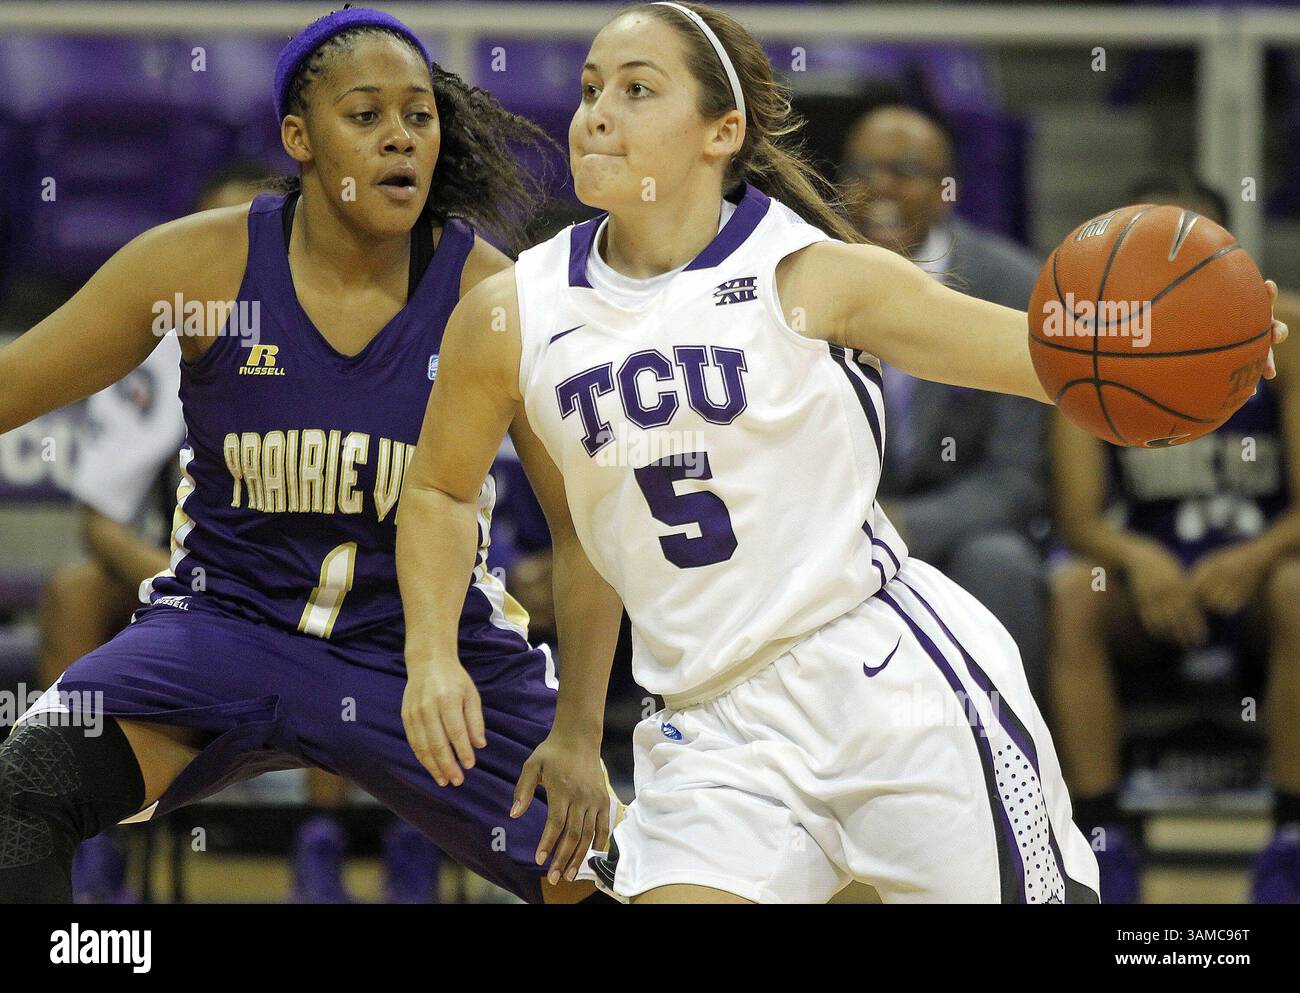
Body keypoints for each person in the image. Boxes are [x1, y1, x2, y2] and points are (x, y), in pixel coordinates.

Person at [395, 1, 1288, 903]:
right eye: (591, 89)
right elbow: (441, 489)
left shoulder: (812, 274)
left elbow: (1050, 360)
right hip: (707, 728)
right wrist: (442, 660)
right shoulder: (516, 309)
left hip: (884, 686)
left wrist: (1199, 348)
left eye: (636, 90)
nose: (596, 112)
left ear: (722, 131)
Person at [0, 7, 610, 905]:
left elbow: (585, 532)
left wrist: (581, 733)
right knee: (22, 790)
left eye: (418, 114)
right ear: (301, 139)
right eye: (365, 116)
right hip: (224, 631)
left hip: (427, 655)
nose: (399, 137)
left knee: (629, 887)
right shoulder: (199, 267)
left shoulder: (494, 296)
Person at [1048, 177, 1300, 903]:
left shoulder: (1282, 340)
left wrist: (1255, 558)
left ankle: (1289, 835)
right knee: (1073, 593)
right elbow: (1079, 517)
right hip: (1146, 581)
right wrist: (1138, 558)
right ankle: (1103, 838)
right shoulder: (1091, 341)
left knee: (1296, 586)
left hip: (1257, 574)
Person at [36, 163, 267, 903]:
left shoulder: (335, 337)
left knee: (353, 612)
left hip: (302, 585)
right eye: (212, 234)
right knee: (75, 588)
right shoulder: (162, 346)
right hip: (186, 577)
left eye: (249, 232)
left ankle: (329, 847)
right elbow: (99, 518)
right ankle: (84, 838)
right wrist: (178, 582)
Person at [838, 101, 1052, 700]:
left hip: (956, 522)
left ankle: (1003, 752)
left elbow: (1018, 478)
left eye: (904, 169)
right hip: (828, 520)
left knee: (1002, 562)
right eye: (863, 168)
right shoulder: (800, 272)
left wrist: (902, 526)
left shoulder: (1011, 284)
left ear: (946, 190)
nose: (879, 186)